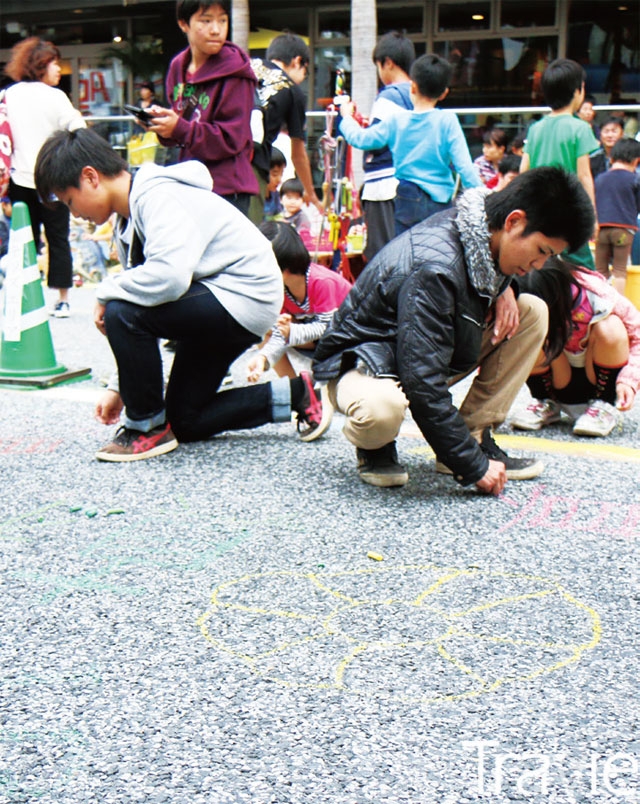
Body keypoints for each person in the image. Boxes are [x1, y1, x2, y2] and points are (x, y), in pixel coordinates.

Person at [35, 128, 329, 461]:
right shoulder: (125, 220)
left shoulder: (157, 197)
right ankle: (299, 394)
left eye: (70, 201)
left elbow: (169, 280)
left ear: (90, 177)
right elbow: (149, 297)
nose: (74, 214)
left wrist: (104, 293)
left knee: (120, 309)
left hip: (243, 294)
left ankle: (145, 428)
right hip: (220, 300)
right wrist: (121, 386)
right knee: (184, 420)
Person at [312, 167, 595, 495]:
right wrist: (472, 469)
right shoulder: (435, 268)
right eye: (543, 251)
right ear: (514, 221)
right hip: (363, 364)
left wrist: (506, 289)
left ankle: (470, 437)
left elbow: (479, 274)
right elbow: (422, 382)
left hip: (417, 353)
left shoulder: (484, 235)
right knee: (382, 411)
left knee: (531, 313)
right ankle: (375, 445)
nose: (539, 264)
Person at [339, 53, 481, 237]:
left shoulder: (397, 121)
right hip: (440, 203)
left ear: (412, 87)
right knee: (437, 255)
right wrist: (485, 197)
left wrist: (346, 117)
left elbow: (361, 139)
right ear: (444, 93)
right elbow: (465, 168)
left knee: (406, 255)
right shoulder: (447, 121)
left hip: (407, 198)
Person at [147, 1, 258, 215]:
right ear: (183, 24)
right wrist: (161, 126)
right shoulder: (178, 66)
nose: (216, 29)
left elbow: (230, 139)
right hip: (190, 184)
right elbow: (183, 129)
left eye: (222, 20)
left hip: (227, 190)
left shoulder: (236, 72)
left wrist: (178, 128)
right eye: (206, 21)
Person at [3, 36, 86, 317]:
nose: (58, 69)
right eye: (53, 63)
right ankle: (62, 298)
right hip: (53, 180)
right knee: (58, 237)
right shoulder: (56, 96)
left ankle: (21, 296)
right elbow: (78, 127)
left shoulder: (8, 95)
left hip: (19, 179)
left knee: (23, 239)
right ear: (40, 65)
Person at [510, 259, 640, 438]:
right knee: (528, 327)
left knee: (610, 325)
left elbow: (638, 336)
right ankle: (545, 401)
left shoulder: (598, 295)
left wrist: (629, 381)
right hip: (559, 376)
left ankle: (603, 407)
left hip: (597, 377)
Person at [247, 220, 352, 383]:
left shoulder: (322, 281)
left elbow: (327, 328)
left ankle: (325, 381)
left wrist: (291, 332)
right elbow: (281, 333)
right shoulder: (283, 289)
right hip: (318, 340)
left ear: (285, 269)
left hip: (345, 338)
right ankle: (296, 387)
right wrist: (263, 357)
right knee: (265, 326)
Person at [520, 58, 599, 271]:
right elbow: (584, 176)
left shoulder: (536, 128)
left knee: (544, 267)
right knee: (583, 270)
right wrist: (592, 217)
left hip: (539, 212)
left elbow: (523, 172)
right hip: (570, 212)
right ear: (577, 92)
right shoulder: (580, 128)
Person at [248, 33, 323, 224]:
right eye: (305, 72)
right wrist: (312, 194)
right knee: (246, 232)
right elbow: (298, 154)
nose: (303, 79)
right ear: (298, 62)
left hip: (219, 154)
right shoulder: (292, 91)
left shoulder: (248, 65)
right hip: (251, 165)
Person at [358, 31, 415, 261]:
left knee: (382, 258)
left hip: (383, 185)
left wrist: (350, 124)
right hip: (407, 185)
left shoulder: (390, 95)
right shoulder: (416, 93)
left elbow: (376, 139)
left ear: (388, 63)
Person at [594, 138, 640, 294]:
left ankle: (601, 302)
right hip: (624, 230)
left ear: (611, 158)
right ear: (636, 161)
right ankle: (618, 304)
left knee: (600, 269)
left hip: (601, 229)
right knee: (619, 269)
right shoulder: (635, 179)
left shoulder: (600, 179)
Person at [263, 147, 286, 220]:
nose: (279, 180)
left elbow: (278, 217)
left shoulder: (275, 195)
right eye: (274, 174)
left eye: (281, 174)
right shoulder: (254, 198)